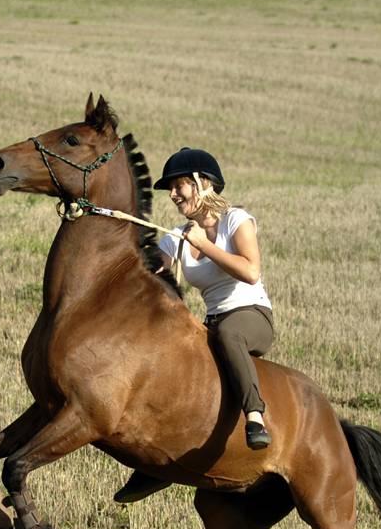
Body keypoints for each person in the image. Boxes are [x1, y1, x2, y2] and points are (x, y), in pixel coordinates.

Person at [114, 147, 275, 505]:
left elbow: (250, 271)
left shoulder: (237, 220)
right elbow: (154, 269)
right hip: (212, 323)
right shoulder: (178, 234)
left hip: (251, 315)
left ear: (202, 184)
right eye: (171, 188)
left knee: (230, 334)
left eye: (178, 186)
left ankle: (255, 416)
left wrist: (204, 245)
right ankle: (156, 465)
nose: (173, 195)